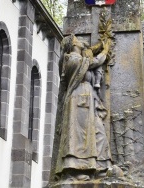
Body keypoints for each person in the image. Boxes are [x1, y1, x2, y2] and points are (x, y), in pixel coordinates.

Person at [55, 34, 112, 181]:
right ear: (73, 44)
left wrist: (99, 47)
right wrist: (105, 51)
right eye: (78, 40)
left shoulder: (80, 58)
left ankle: (100, 166)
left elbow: (90, 57)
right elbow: (93, 62)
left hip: (88, 98)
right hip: (78, 99)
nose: (81, 42)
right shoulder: (72, 59)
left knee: (97, 132)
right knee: (79, 136)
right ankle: (75, 168)